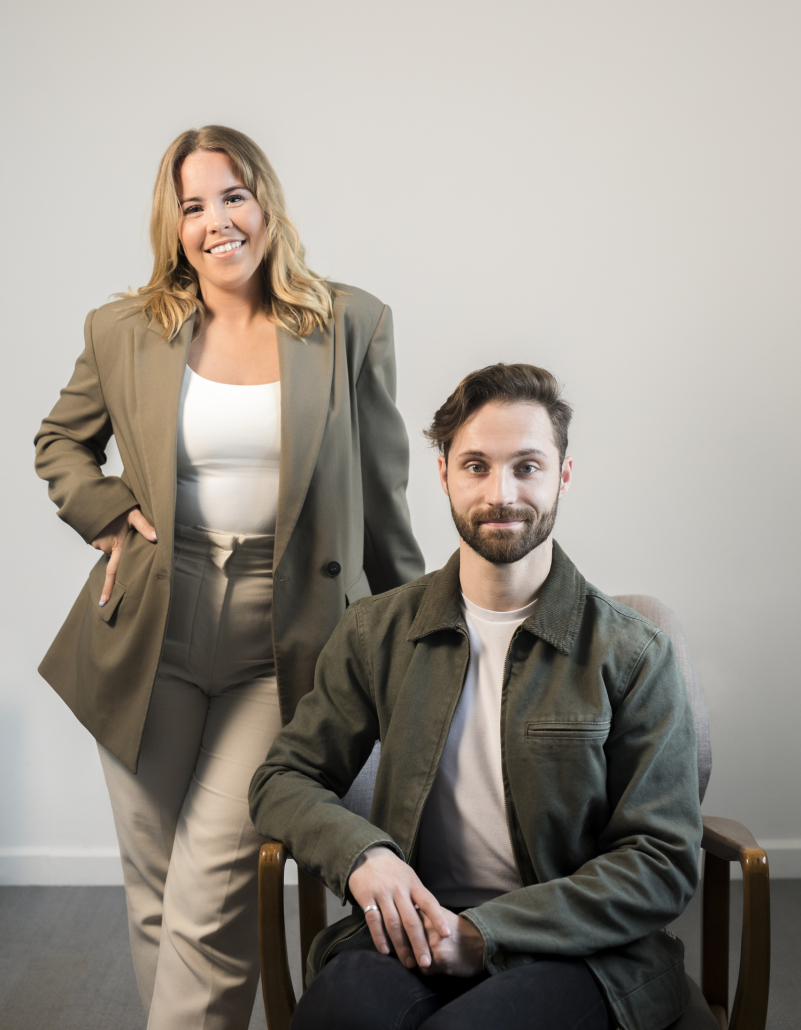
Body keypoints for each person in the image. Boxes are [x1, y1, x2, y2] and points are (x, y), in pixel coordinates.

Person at [34, 125, 423, 1030]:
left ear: (267, 204)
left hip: (282, 648)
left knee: (214, 890)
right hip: (144, 635)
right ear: (173, 226)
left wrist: (416, 643)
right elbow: (61, 442)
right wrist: (104, 510)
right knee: (155, 891)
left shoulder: (348, 321)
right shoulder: (124, 329)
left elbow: (383, 497)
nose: (216, 221)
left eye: (233, 196)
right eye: (193, 205)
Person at [248, 363, 703, 1030]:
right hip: (412, 933)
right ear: (443, 475)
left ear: (561, 476)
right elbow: (283, 779)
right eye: (476, 466)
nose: (501, 493)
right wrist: (363, 856)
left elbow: (660, 862)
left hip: (579, 952)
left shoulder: (634, 652)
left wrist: (485, 934)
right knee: (337, 1016)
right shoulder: (376, 631)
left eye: (526, 466)